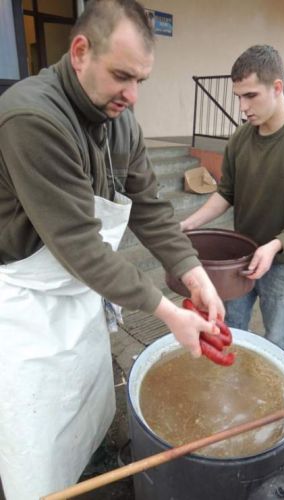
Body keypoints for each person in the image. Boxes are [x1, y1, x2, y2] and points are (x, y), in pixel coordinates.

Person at [0, 1, 224, 498]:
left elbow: (150, 205)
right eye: (123, 75)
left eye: (142, 79)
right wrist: (167, 312)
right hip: (28, 300)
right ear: (80, 51)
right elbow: (79, 245)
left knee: (87, 395)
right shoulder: (31, 118)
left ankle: (92, 462)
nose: (133, 94)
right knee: (36, 423)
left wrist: (193, 275)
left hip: (82, 290)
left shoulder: (119, 119)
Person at [181, 44, 284, 360]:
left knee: (278, 339)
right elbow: (227, 193)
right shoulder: (241, 137)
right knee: (230, 327)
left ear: (277, 88)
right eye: (238, 96)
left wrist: (276, 245)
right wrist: (189, 223)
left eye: (250, 95)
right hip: (240, 256)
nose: (242, 107)